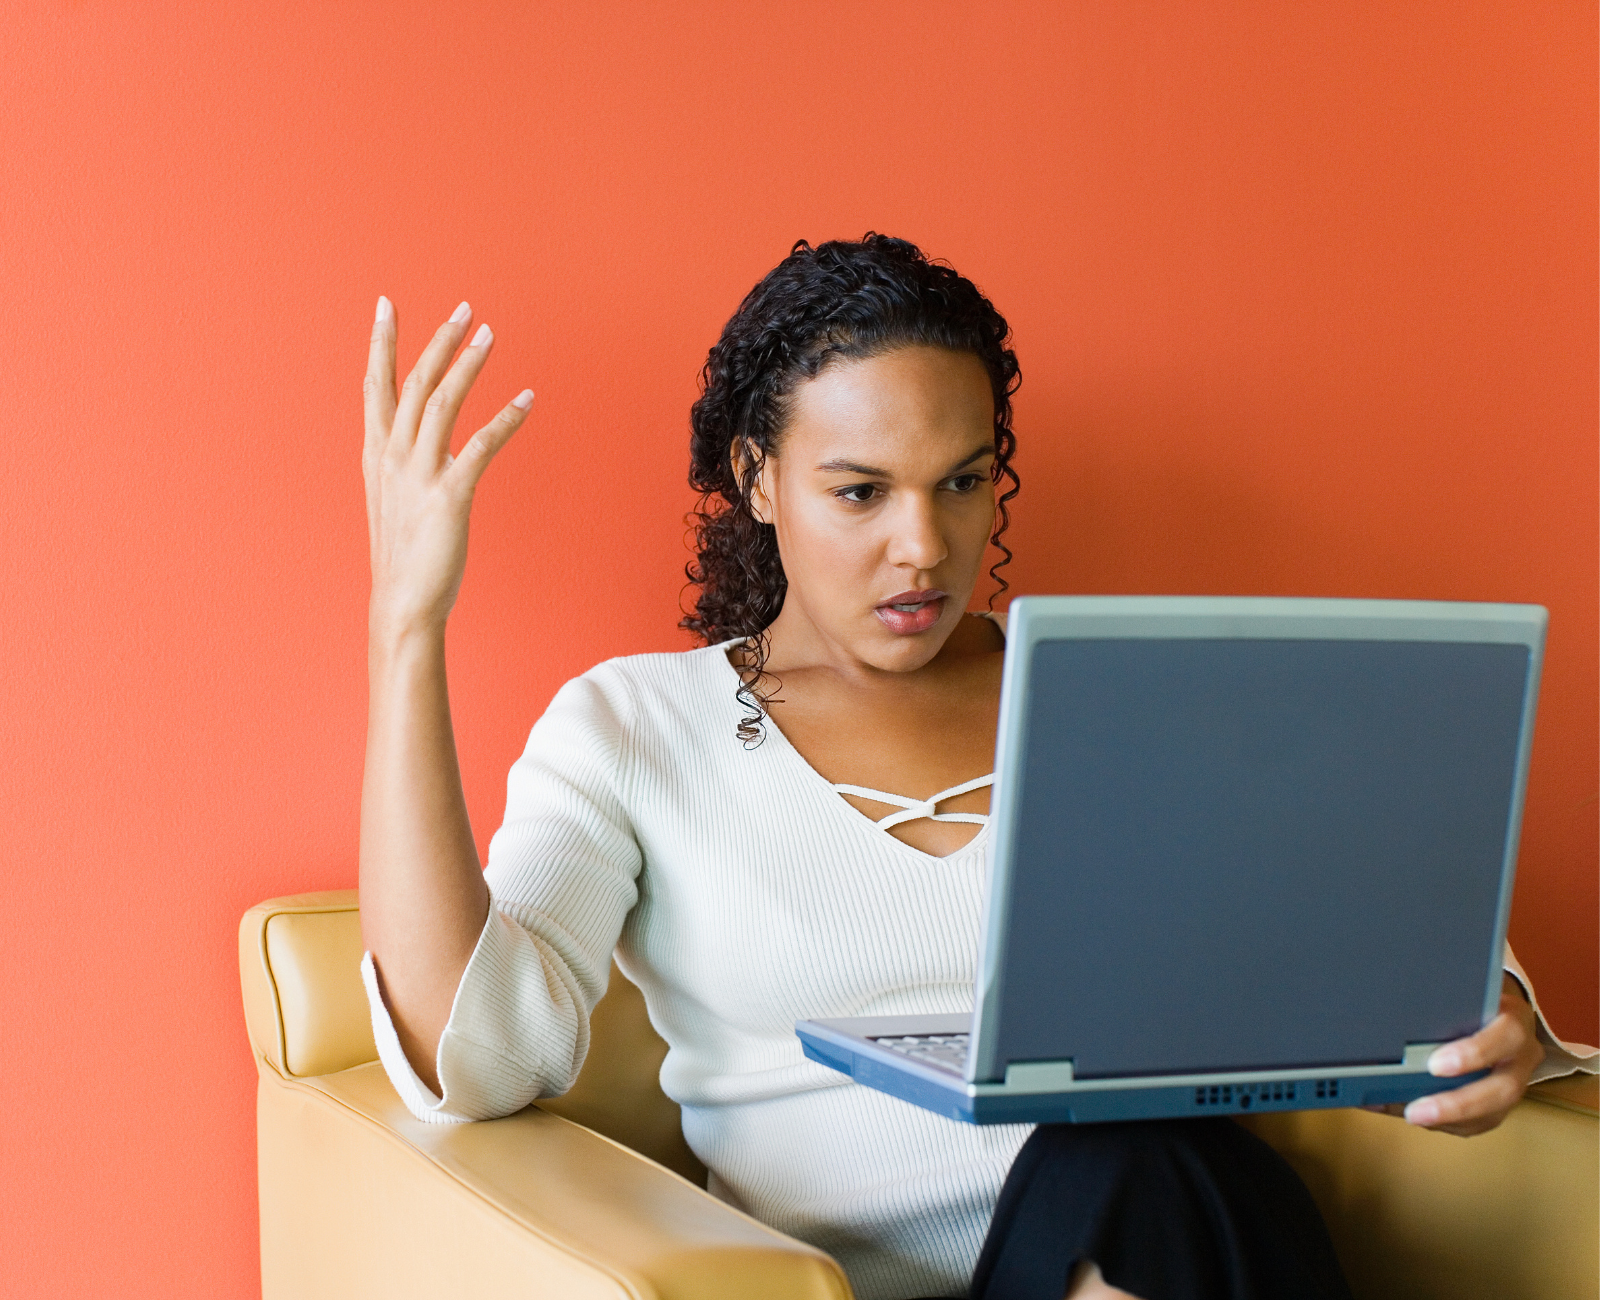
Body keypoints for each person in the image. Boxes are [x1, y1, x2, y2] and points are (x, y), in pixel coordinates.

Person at [357, 235, 1596, 1300]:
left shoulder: (1110, 698)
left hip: (1182, 1231)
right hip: (902, 1273)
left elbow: (1353, 943)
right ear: (758, 479)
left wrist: (1488, 1022)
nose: (925, 547)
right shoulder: (633, 727)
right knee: (1118, 1164)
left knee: (1135, 1160)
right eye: (861, 492)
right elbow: (478, 1060)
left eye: (962, 483)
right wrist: (407, 632)